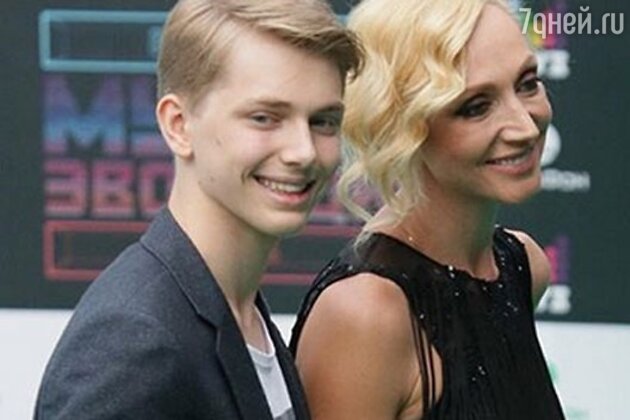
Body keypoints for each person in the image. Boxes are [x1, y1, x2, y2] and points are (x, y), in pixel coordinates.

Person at [34, 0, 362, 418]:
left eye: (323, 121)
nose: (304, 152)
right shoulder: (135, 341)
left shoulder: (240, 315)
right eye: (264, 118)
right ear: (178, 125)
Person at [290, 0, 565, 418]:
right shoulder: (366, 315)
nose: (525, 127)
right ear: (401, 125)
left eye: (528, 84)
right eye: (476, 107)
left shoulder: (522, 266)